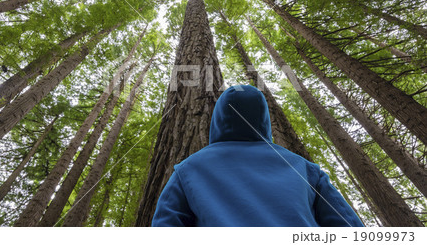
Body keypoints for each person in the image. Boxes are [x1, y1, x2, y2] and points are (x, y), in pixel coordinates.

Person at [152, 85, 364, 227]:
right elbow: (349, 227)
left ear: (217, 120)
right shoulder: (305, 168)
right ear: (263, 119)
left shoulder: (189, 168)